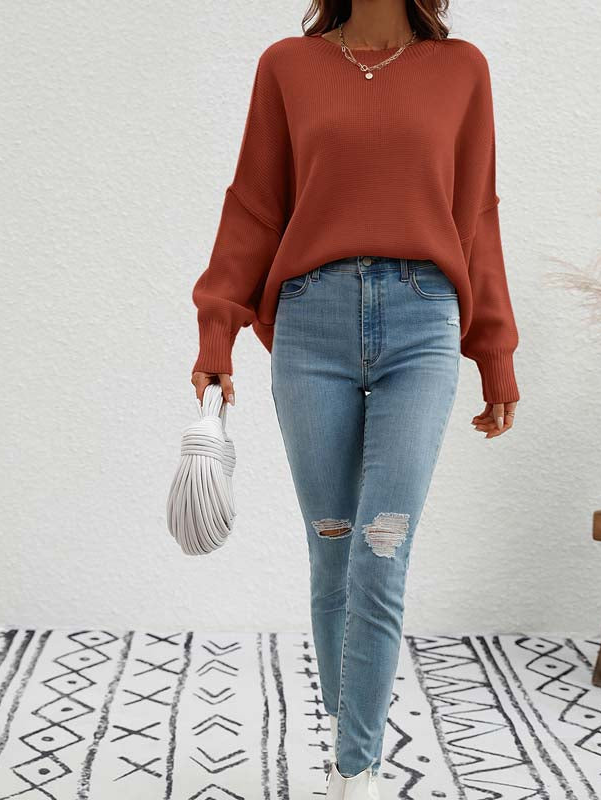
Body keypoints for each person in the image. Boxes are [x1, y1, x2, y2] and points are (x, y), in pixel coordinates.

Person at [190, 2, 520, 797]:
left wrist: (495, 351)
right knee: (333, 550)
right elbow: (255, 206)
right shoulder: (287, 66)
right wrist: (217, 331)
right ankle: (355, 745)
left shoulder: (462, 69)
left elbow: (476, 216)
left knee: (381, 546)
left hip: (423, 320)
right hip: (311, 325)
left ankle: (355, 771)